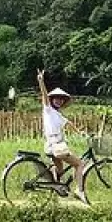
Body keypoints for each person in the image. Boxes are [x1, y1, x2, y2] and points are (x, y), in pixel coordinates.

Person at [38, 69, 87, 198]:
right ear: (52, 99)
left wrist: (80, 133)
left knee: (60, 170)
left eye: (61, 100)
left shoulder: (58, 115)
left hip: (52, 146)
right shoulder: (48, 110)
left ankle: (56, 188)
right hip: (56, 146)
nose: (59, 101)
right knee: (79, 164)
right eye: (56, 99)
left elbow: (69, 124)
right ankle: (79, 191)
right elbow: (44, 96)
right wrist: (41, 82)